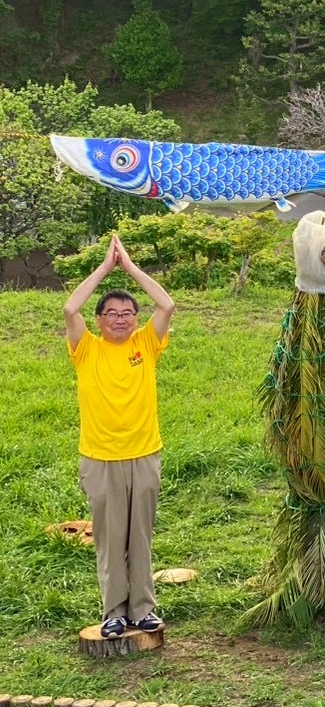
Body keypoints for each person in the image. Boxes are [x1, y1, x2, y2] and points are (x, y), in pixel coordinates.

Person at [64, 234, 176, 639]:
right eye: (112, 313)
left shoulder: (146, 343)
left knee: (141, 537)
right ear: (99, 320)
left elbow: (167, 305)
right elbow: (69, 307)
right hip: (100, 457)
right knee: (110, 540)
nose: (121, 318)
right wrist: (104, 268)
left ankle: (143, 608)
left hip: (144, 454)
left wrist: (130, 268)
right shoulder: (86, 349)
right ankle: (114, 611)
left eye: (128, 312)